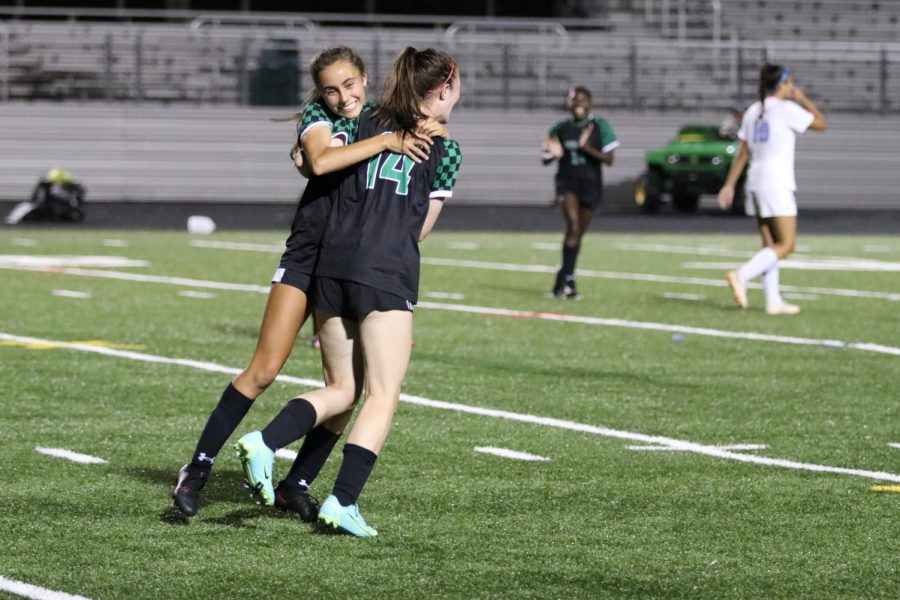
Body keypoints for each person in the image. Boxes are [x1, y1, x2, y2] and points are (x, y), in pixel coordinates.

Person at [172, 46, 442, 519]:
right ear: (320, 93)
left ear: (365, 78)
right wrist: (385, 142)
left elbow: (425, 130)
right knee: (265, 369)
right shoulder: (322, 115)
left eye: (350, 84)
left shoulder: (381, 117)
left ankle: (296, 483)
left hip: (352, 263)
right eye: (331, 89)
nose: (342, 96)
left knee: (346, 388)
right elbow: (316, 162)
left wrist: (427, 129)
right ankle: (197, 466)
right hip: (308, 256)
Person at [234, 47, 462, 537]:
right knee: (383, 395)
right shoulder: (447, 148)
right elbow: (420, 229)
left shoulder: (366, 119)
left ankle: (266, 441)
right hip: (385, 271)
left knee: (344, 389)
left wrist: (301, 156)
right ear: (446, 85)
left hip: (330, 267)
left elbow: (315, 156)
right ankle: (342, 501)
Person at [717, 64, 827, 315]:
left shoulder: (754, 110)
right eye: (791, 83)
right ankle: (741, 275)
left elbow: (743, 151)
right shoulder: (787, 109)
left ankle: (773, 300)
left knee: (770, 245)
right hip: (777, 182)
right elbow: (821, 123)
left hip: (755, 181)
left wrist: (730, 184)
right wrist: (802, 99)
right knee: (786, 245)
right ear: (784, 83)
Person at [541, 86, 619, 299]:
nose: (579, 105)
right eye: (575, 101)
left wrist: (586, 148)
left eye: (583, 100)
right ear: (569, 104)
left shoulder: (600, 125)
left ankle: (562, 278)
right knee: (573, 227)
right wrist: (552, 155)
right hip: (567, 183)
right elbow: (545, 157)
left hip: (591, 185)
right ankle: (569, 281)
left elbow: (609, 159)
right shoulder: (561, 127)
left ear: (590, 102)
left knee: (577, 234)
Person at [5, 168, 85, 225]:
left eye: (60, 185)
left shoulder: (71, 186)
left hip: (63, 208)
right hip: (47, 207)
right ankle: (14, 219)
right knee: (26, 207)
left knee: (74, 216)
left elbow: (79, 196)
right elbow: (35, 197)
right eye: (53, 184)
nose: (55, 187)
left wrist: (73, 203)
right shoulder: (45, 185)